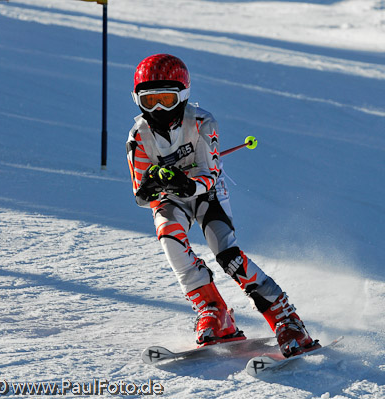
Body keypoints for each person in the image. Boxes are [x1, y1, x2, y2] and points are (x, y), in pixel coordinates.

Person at [126, 53, 317, 357]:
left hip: (207, 194)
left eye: (166, 99)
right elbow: (140, 194)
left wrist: (187, 183)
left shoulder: (201, 121)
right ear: (138, 100)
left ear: (183, 96)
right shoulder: (139, 137)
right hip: (170, 198)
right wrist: (153, 180)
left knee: (228, 255)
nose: (159, 108)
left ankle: (285, 318)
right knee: (171, 240)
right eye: (151, 101)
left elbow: (210, 173)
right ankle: (215, 313)